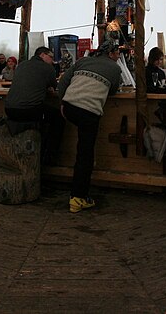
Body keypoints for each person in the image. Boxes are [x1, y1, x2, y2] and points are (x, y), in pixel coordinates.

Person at [58, 39, 122, 213]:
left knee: (77, 147)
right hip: (88, 112)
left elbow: (63, 83)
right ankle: (78, 198)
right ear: (110, 54)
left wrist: (63, 104)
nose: (118, 56)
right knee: (85, 155)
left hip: (69, 108)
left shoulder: (83, 61)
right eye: (116, 53)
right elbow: (115, 90)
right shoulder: (115, 68)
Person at [4, 47, 65, 164]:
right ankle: (50, 157)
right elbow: (53, 87)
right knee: (59, 117)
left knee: (44, 114)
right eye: (50, 57)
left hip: (9, 109)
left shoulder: (21, 65)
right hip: (30, 110)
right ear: (42, 55)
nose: (52, 61)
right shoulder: (48, 68)